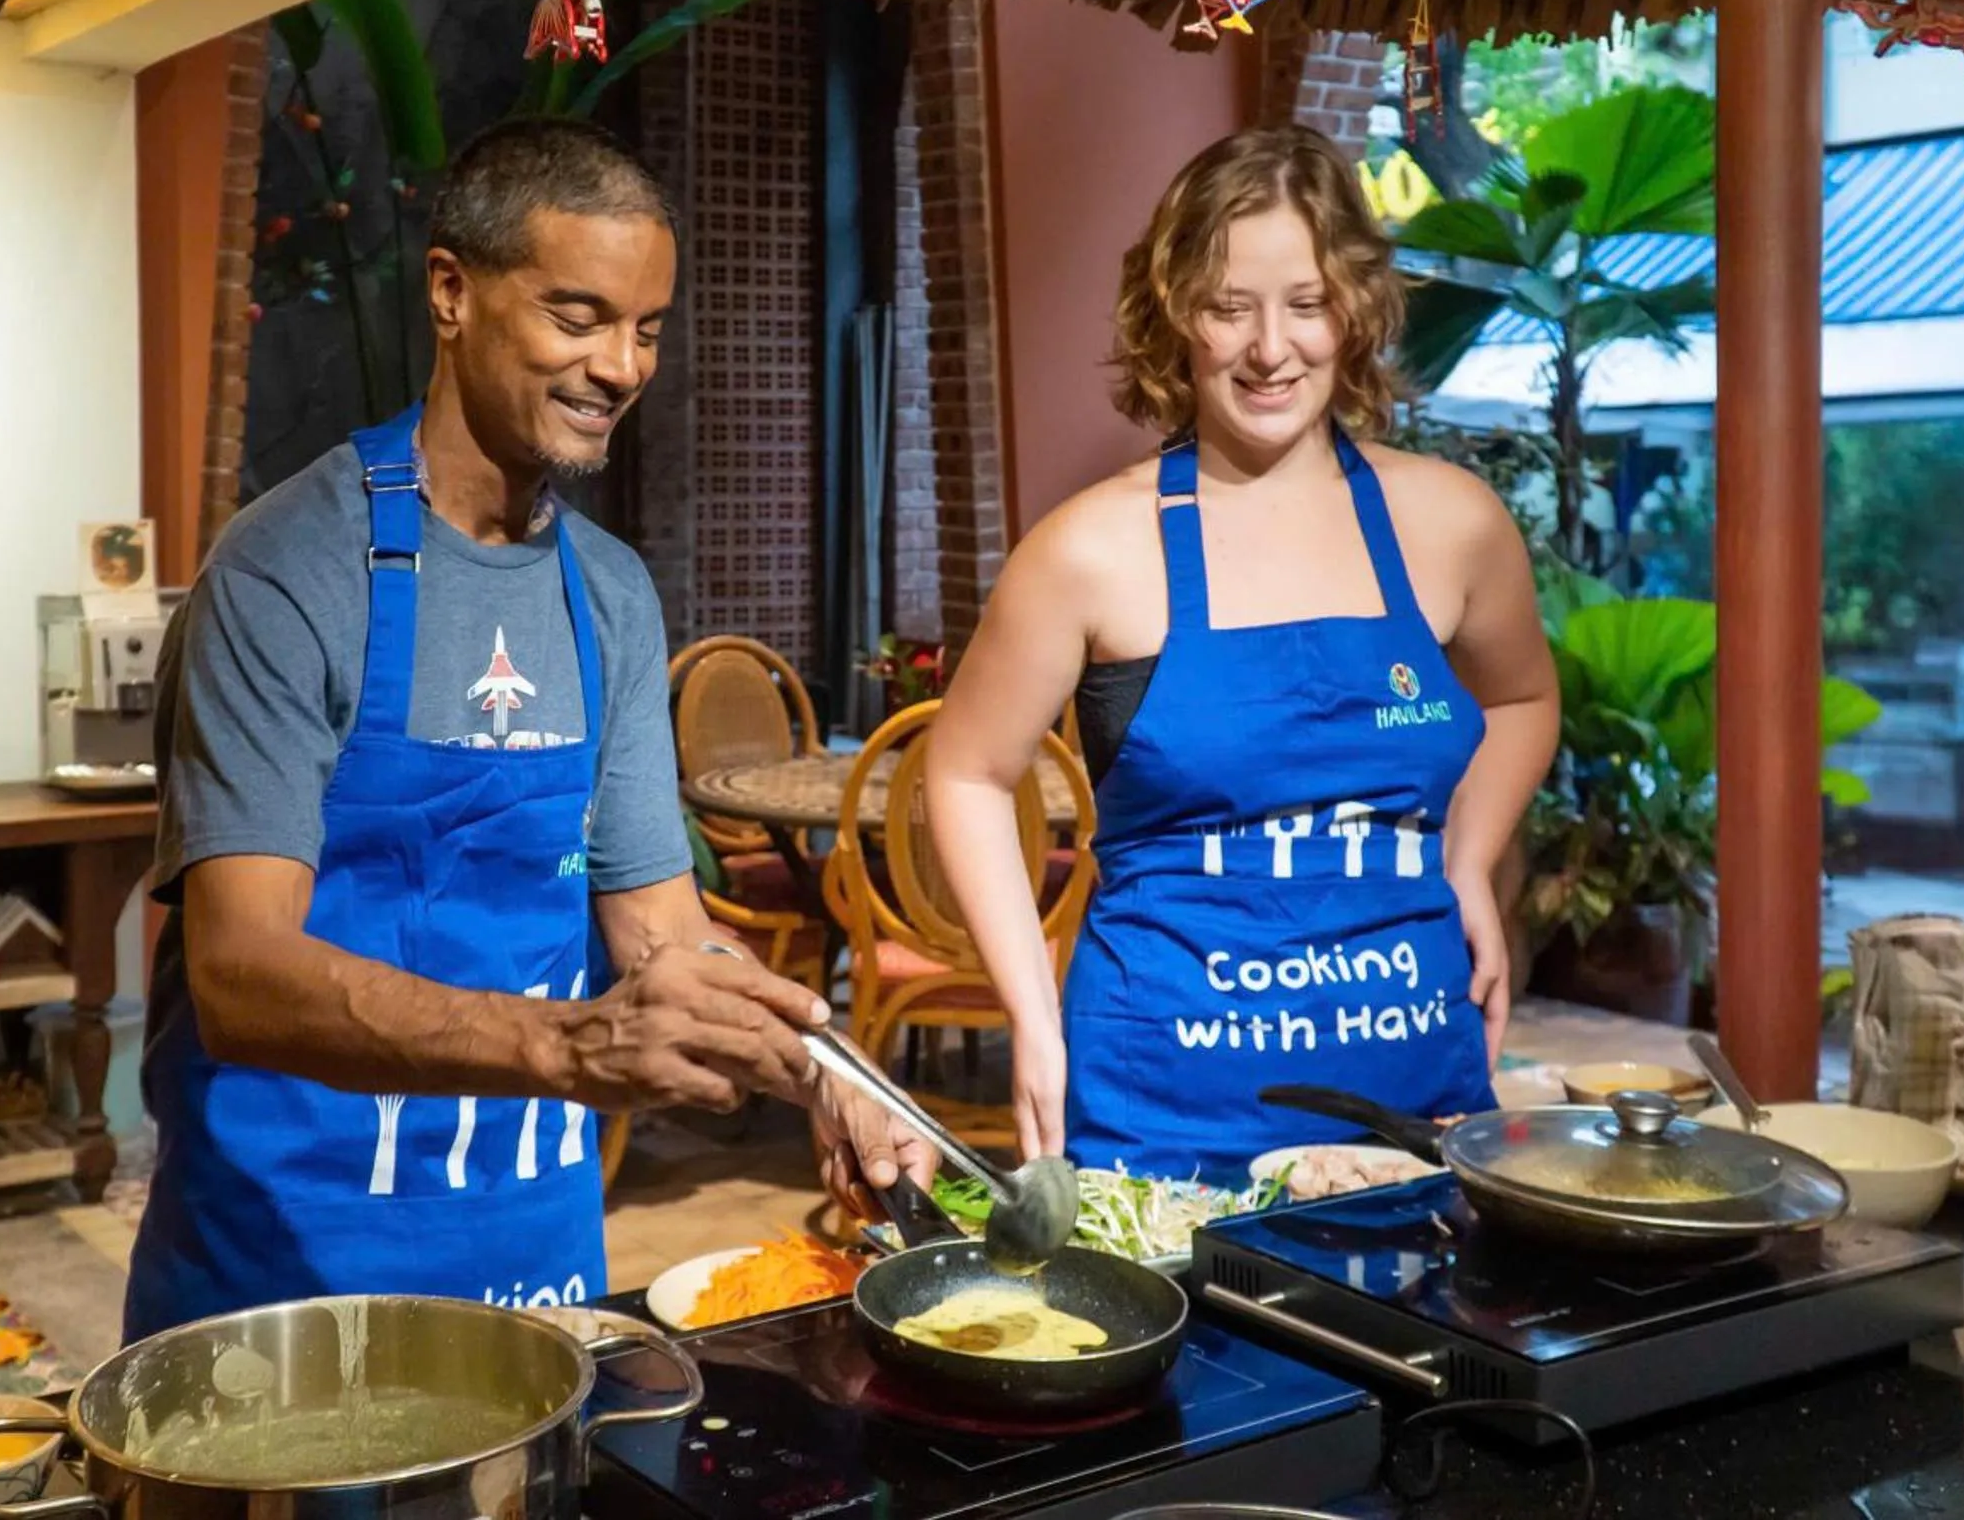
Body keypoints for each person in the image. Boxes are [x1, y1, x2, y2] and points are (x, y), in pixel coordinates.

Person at [127, 117, 924, 1339]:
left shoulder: (608, 593)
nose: (621, 365)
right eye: (578, 316)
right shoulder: (288, 570)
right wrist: (571, 1046)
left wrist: (825, 1067)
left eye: (646, 327)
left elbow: (662, 932)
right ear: (452, 291)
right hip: (283, 1288)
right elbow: (238, 973)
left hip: (533, 1268)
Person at [923, 126, 1558, 1181]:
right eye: (1230, 307)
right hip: (1163, 1106)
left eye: (1306, 303)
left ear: (1353, 309)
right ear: (1174, 313)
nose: (1271, 348)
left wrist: (1468, 865)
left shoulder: (1452, 523)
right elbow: (967, 770)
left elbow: (1522, 699)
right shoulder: (1088, 548)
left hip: (1415, 1095)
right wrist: (1030, 1011)